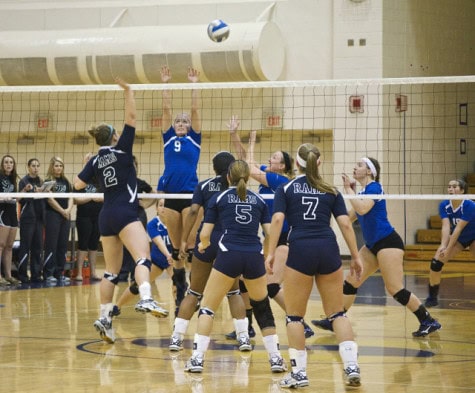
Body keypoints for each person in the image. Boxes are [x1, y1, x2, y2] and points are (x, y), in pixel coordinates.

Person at [74, 77, 168, 344]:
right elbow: (132, 117)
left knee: (111, 271)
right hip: (126, 213)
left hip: (106, 215)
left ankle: (105, 318)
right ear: (114, 136)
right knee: (142, 258)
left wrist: (90, 168)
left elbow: (77, 184)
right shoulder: (123, 151)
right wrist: (129, 91)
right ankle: (147, 298)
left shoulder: (94, 161)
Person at [265, 143, 363, 388]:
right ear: (319, 162)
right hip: (328, 249)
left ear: (296, 163)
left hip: (301, 249)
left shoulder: (285, 188)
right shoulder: (330, 190)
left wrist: (270, 253)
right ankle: (351, 366)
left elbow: (277, 220)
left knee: (295, 316)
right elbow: (346, 225)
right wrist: (355, 255)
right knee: (337, 312)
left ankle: (299, 374)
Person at [312, 157, 442, 338]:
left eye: (359, 165)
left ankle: (427, 320)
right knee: (351, 280)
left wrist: (349, 190)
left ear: (369, 171)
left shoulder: (375, 187)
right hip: (372, 245)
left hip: (388, 242)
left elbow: (363, 209)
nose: (354, 168)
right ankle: (335, 319)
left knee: (394, 288)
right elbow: (349, 217)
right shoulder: (363, 192)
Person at [184, 160, 286, 374]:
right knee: (262, 308)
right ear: (248, 177)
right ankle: (276, 359)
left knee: (208, 307)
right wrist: (269, 255)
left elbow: (204, 233)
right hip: (253, 256)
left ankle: (197, 359)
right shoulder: (259, 200)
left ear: (228, 177)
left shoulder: (218, 198)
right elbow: (270, 233)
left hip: (229, 255)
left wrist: (203, 246)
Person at [228, 117, 314, 339]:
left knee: (271, 287)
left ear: (283, 165)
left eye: (274, 157)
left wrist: (253, 142)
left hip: (284, 239)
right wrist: (235, 135)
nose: (270, 158)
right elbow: (243, 163)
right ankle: (246, 327)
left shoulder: (278, 180)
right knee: (246, 280)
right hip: (266, 240)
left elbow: (248, 166)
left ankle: (300, 322)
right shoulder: (269, 175)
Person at [170, 151, 250, 352]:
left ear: (214, 168)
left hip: (207, 241)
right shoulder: (241, 189)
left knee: (194, 291)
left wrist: (182, 241)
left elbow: (194, 211)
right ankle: (244, 338)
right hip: (230, 243)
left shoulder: (204, 186)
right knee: (233, 291)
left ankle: (176, 338)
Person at [157, 65, 201, 310]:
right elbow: (166, 109)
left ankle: (197, 291)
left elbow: (195, 109)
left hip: (190, 195)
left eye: (185, 121)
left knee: (191, 247)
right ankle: (179, 291)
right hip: (172, 196)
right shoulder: (168, 138)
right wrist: (165, 82)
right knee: (176, 251)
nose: (182, 123)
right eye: (178, 121)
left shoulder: (195, 139)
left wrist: (194, 83)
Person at [113, 198, 174, 314]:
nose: (163, 208)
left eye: (166, 206)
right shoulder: (153, 224)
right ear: (156, 208)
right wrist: (167, 255)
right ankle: (117, 307)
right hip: (157, 261)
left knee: (178, 284)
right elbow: (159, 242)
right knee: (136, 286)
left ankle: (178, 310)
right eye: (160, 205)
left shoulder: (175, 223)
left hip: (172, 261)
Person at [425, 179, 475, 307]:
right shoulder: (444, 205)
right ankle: (432, 297)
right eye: (449, 187)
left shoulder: (470, 205)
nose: (450, 189)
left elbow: (458, 228)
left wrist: (448, 248)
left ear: (463, 191)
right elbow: (446, 227)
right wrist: (443, 245)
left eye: (454, 186)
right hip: (461, 238)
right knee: (436, 262)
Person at [118, 155, 155, 282]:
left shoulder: (140, 182)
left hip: (139, 215)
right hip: (123, 215)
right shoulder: (120, 182)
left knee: (139, 245)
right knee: (124, 244)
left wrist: (145, 204)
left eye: (134, 165)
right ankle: (122, 274)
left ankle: (136, 274)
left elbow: (154, 194)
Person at [42, 156, 74, 284]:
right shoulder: (48, 181)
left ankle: (59, 272)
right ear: (52, 167)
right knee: (51, 245)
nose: (59, 168)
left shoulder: (66, 181)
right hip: (52, 215)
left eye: (61, 165)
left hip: (65, 216)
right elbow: (49, 199)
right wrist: (62, 210)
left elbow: (71, 197)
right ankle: (48, 273)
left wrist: (68, 210)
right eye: (56, 165)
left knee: (62, 245)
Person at [17, 158, 46, 283]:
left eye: (37, 165)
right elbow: (20, 198)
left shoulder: (41, 181)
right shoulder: (24, 181)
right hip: (27, 219)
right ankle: (23, 275)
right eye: (33, 165)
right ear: (28, 167)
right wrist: (27, 190)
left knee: (38, 247)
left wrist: (45, 190)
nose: (35, 168)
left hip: (39, 218)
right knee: (25, 247)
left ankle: (36, 274)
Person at [73, 178, 103, 282]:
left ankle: (93, 273)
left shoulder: (101, 179)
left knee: (94, 245)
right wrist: (90, 197)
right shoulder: (80, 180)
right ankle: (79, 273)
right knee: (83, 244)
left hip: (98, 216)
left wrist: (99, 198)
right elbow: (75, 200)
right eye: (88, 160)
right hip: (83, 217)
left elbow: (108, 197)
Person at [0, 154, 21, 286]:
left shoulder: (13, 179)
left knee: (9, 246)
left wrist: (23, 191)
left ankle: (8, 275)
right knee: (0, 245)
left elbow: (15, 198)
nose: (9, 164)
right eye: (6, 162)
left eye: (11, 162)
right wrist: (3, 198)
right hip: (2, 212)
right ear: (2, 165)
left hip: (12, 213)